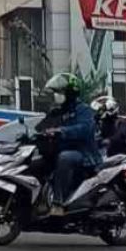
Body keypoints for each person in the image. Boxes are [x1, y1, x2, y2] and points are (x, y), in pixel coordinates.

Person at [39, 72, 99, 215]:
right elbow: (42, 126)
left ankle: (58, 202)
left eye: (59, 92)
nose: (56, 95)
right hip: (59, 150)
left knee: (65, 158)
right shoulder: (57, 111)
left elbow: (85, 129)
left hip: (84, 154)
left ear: (70, 93)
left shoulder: (83, 110)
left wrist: (62, 131)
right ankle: (40, 199)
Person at [92, 96, 126, 160]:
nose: (97, 113)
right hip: (107, 157)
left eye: (100, 111)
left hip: (123, 158)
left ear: (110, 110)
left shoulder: (121, 123)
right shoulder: (101, 124)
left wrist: (107, 141)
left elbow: (120, 137)